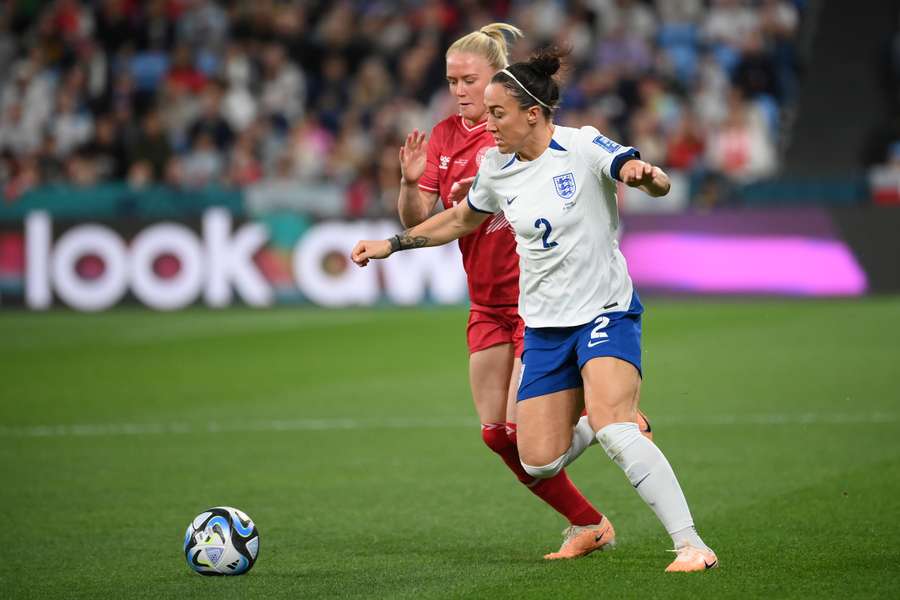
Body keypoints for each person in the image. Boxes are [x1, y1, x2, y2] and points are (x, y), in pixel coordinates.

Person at [353, 47, 717, 572]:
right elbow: (459, 220)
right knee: (537, 458)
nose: (489, 123)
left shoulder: (582, 144)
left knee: (617, 430)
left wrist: (647, 177)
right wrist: (391, 243)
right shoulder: (498, 170)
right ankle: (598, 424)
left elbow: (645, 175)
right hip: (544, 327)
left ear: (533, 113)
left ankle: (691, 545)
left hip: (603, 312)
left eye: (498, 113)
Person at [397, 23, 644, 560]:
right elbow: (432, 220)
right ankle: (591, 523)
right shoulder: (441, 138)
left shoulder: (516, 134)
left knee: (523, 429)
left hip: (537, 304)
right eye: (452, 80)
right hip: (485, 302)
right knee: (495, 436)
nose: (461, 91)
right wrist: (406, 187)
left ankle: (606, 415)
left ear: (498, 80)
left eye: (470, 80)